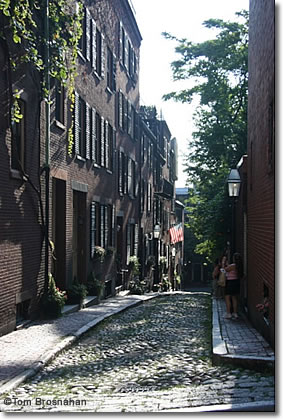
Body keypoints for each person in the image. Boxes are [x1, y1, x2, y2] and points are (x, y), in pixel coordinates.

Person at [223, 253, 243, 320]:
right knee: (234, 298)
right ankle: (235, 313)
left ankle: (229, 313)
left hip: (230, 282)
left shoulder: (233, 265)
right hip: (236, 282)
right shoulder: (239, 266)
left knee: (227, 297)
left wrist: (223, 263)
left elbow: (224, 270)